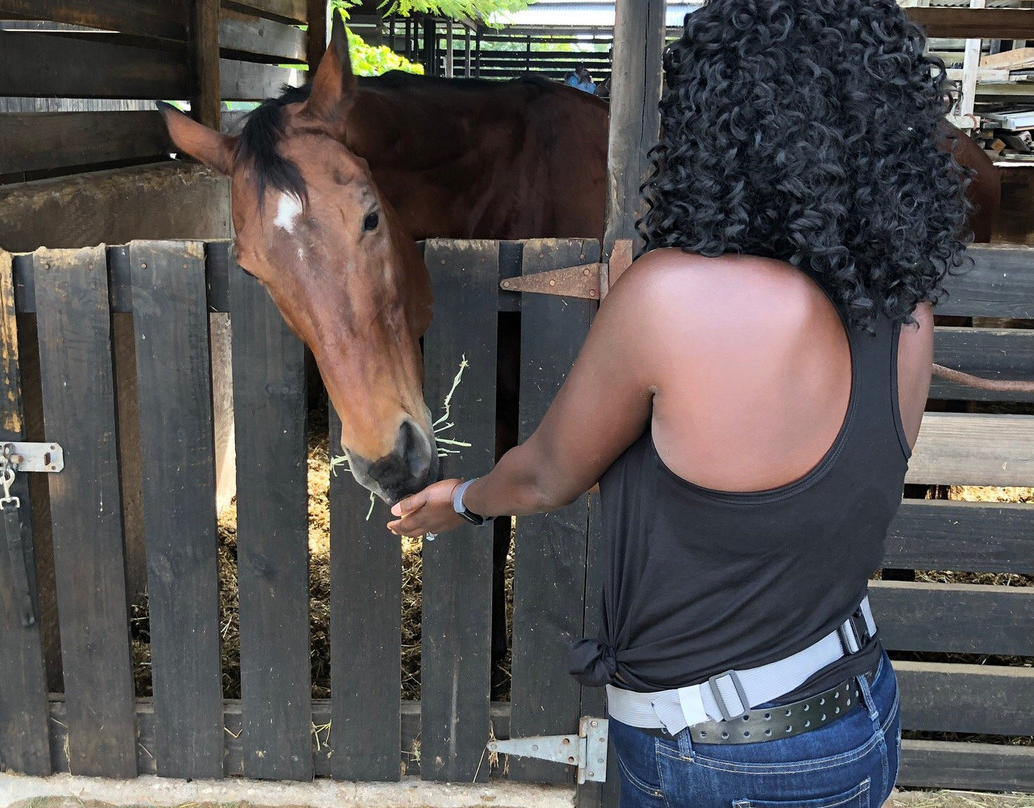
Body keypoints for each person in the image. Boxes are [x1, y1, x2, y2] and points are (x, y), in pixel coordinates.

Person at [389, 0, 968, 804]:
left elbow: (547, 475)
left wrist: (459, 498)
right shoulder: (905, 311)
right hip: (857, 712)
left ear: (715, 117)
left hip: (719, 751)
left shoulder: (674, 298)